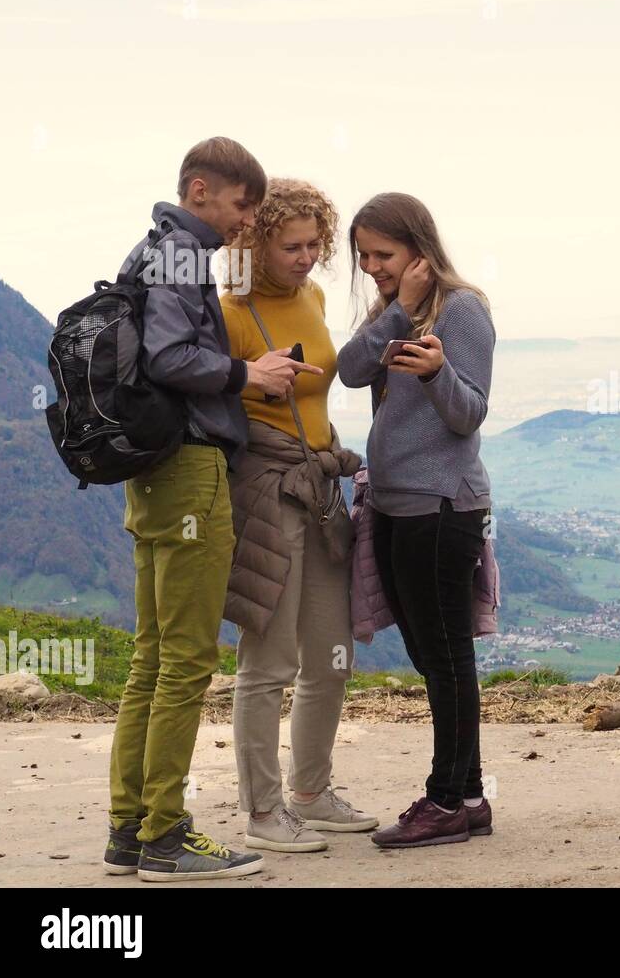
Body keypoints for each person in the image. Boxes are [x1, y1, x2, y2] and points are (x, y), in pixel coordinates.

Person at [104, 137, 318, 882]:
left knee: (153, 654)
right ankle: (166, 834)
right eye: (240, 205)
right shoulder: (184, 255)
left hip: (152, 471)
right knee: (187, 658)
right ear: (201, 191)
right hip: (192, 468)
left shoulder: (149, 249)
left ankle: (129, 828)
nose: (245, 222)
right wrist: (245, 372)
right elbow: (170, 357)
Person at [336, 192, 496, 848]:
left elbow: (469, 414)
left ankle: (445, 800)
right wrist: (398, 309)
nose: (372, 265)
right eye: (364, 255)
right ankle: (472, 795)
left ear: (419, 251)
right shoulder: (393, 311)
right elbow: (349, 371)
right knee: (437, 658)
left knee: (448, 656)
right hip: (397, 506)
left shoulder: (463, 311)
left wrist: (436, 373)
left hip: (442, 508)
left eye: (384, 253)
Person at [220, 178, 376, 852]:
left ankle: (309, 792)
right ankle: (261, 810)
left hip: (319, 483)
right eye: (292, 245)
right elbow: (203, 397)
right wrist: (250, 375)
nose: (308, 257)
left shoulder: (311, 297)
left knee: (331, 652)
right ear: (256, 241)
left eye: (316, 243)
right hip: (266, 487)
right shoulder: (229, 310)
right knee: (269, 657)